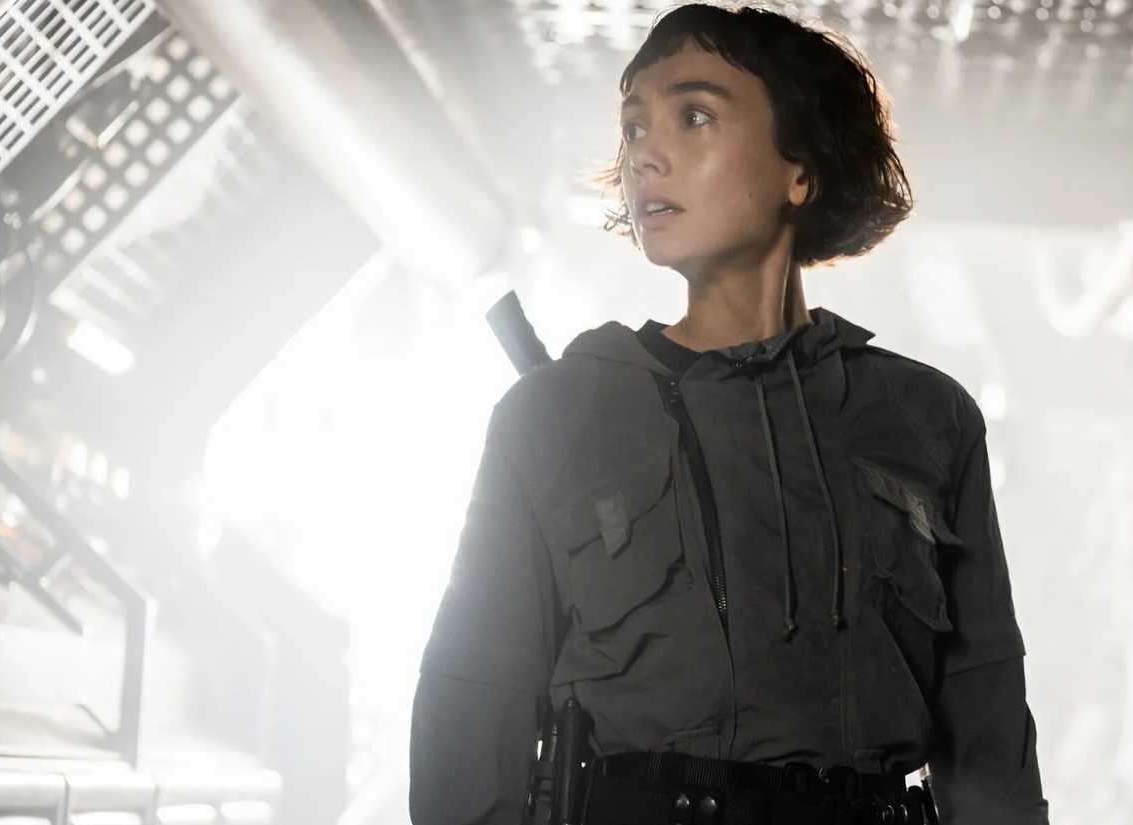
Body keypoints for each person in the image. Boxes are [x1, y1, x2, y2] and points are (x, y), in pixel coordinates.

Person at [410, 5, 1048, 823]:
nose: (646, 152)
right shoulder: (555, 415)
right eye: (633, 126)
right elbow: (470, 718)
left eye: (695, 116)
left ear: (799, 171)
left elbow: (988, 731)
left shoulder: (927, 417)